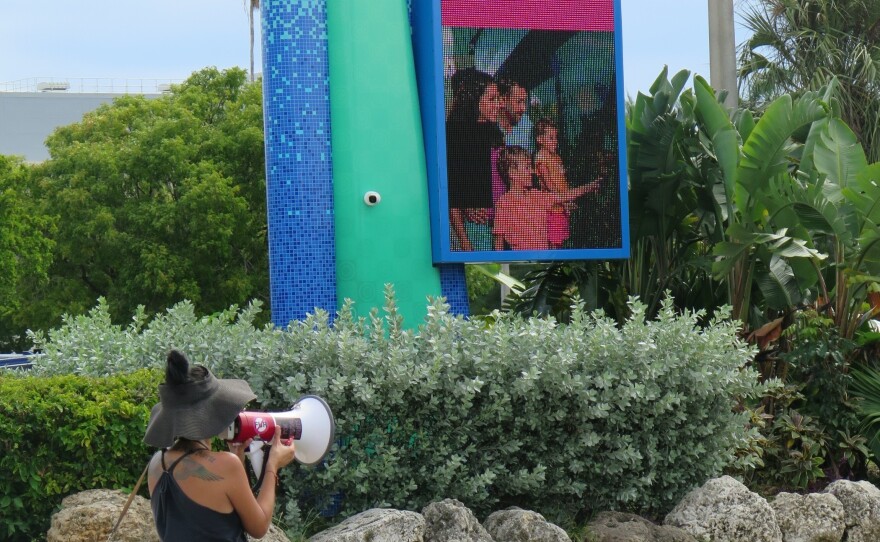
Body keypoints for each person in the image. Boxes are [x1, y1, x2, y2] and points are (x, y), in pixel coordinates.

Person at [144, 349, 296, 541]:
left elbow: (201, 523)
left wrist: (237, 458)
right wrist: (272, 465)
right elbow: (258, 527)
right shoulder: (226, 465)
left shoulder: (157, 463)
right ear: (211, 412)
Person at [493, 146, 600, 251]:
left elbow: (564, 196)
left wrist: (589, 187)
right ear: (512, 173)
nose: (532, 171)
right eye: (527, 167)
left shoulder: (537, 195)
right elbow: (499, 240)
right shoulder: (504, 204)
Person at [446, 68, 504, 251]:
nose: (499, 105)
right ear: (475, 100)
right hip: (475, 230)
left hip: (500, 227)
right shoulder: (459, 136)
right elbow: (450, 194)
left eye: (499, 99)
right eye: (491, 99)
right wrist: (465, 241)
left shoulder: (493, 134)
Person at [533, 118, 574, 248]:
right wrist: (564, 200)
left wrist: (567, 199)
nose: (555, 141)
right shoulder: (541, 157)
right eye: (551, 138)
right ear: (539, 139)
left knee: (561, 242)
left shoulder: (556, 157)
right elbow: (549, 184)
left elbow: (563, 180)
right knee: (553, 243)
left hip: (562, 206)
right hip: (553, 208)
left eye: (556, 138)